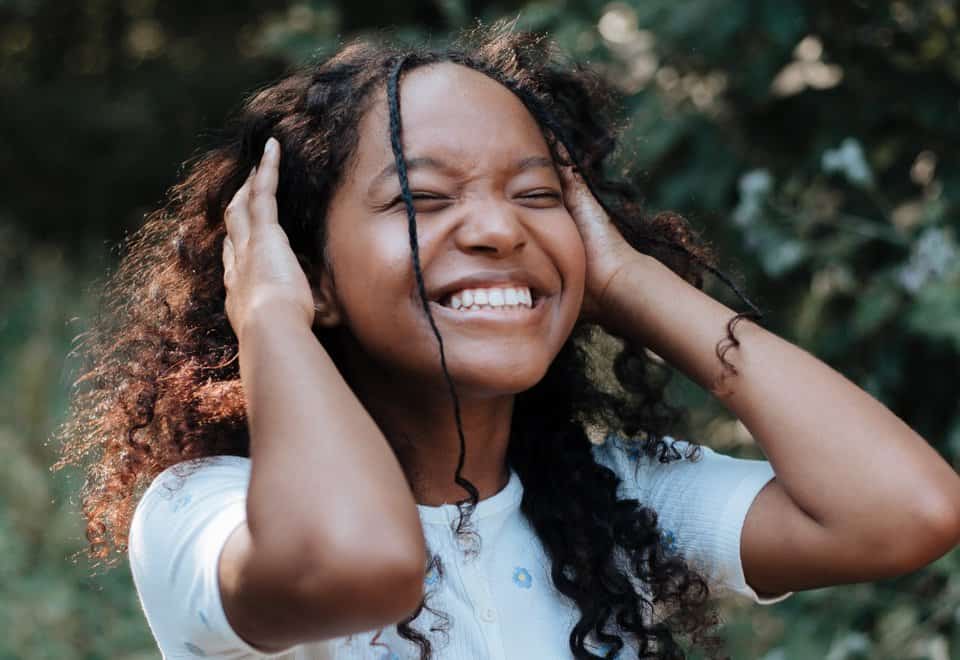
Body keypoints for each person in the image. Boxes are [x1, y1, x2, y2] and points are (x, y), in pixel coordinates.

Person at [53, 18, 960, 660]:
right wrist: (270, 319)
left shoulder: (612, 499)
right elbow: (359, 563)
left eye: (537, 198)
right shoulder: (207, 512)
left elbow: (904, 512)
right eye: (422, 198)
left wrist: (630, 282)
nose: (497, 230)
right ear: (308, 271)